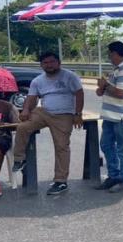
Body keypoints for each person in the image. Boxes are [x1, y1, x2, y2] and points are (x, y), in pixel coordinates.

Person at [12, 51, 84, 196]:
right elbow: (31, 98)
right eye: (45, 63)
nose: (49, 65)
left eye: (52, 62)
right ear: (41, 65)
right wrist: (25, 110)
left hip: (64, 114)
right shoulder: (38, 80)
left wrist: (78, 114)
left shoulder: (70, 76)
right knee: (23, 127)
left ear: (59, 63)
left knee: (61, 146)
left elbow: (79, 94)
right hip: (44, 112)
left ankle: (60, 181)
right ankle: (20, 159)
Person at [95, 41, 123, 193]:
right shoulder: (116, 70)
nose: (109, 57)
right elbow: (103, 92)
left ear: (115, 53)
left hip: (121, 116)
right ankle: (113, 175)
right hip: (110, 115)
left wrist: (105, 85)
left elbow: (120, 93)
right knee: (106, 145)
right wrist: (102, 86)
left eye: (110, 53)